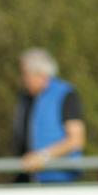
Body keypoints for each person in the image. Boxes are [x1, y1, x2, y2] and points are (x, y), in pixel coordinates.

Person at [11, 48, 86, 182]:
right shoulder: (25, 98)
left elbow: (76, 140)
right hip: (29, 178)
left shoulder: (66, 95)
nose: (22, 79)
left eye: (25, 74)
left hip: (59, 180)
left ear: (40, 74)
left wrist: (43, 157)